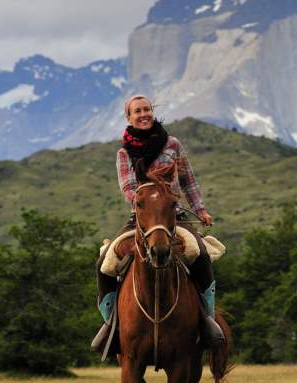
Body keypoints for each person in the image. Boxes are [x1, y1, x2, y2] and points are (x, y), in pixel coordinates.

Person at [91, 95, 224, 353]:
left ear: (153, 112)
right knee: (105, 262)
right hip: (141, 218)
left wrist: (201, 209)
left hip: (173, 216)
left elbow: (188, 181)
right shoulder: (123, 153)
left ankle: (207, 320)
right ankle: (112, 326)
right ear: (129, 118)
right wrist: (147, 202)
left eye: (147, 109)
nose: (144, 114)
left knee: (200, 253)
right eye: (137, 111)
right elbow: (128, 188)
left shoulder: (172, 145)